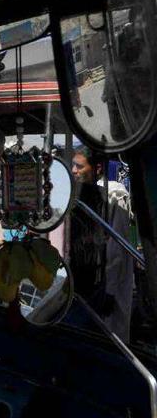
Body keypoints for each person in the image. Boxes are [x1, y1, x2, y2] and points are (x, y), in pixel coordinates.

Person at [68, 145, 134, 341]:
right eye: (73, 165)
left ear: (97, 169)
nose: (73, 171)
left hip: (106, 281)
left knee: (109, 336)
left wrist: (110, 290)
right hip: (83, 276)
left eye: (79, 166)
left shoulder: (115, 195)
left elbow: (117, 249)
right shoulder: (78, 195)